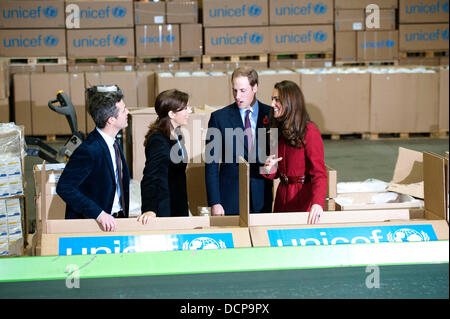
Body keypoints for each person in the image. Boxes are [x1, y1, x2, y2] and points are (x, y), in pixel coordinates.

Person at [56, 85, 131, 232]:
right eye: (123, 110)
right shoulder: (90, 150)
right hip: (96, 225)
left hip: (116, 219)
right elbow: (65, 187)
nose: (127, 112)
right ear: (111, 120)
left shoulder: (113, 142)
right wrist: (99, 213)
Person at [205, 67, 273, 216]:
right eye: (234, 90)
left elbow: (276, 156)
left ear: (255, 87)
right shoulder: (219, 118)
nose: (237, 96)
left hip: (262, 196)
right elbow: (211, 164)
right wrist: (215, 202)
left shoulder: (271, 115)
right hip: (230, 198)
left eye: (243, 90)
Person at [263, 80, 327, 224]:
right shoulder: (275, 130)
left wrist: (317, 203)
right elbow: (275, 173)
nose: (272, 104)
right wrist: (268, 168)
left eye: (277, 100)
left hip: (302, 200)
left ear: (290, 102)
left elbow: (319, 173)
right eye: (272, 99)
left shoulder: (310, 132)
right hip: (281, 198)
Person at [139, 89, 192, 221]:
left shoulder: (177, 134)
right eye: (185, 109)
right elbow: (150, 177)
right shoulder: (158, 141)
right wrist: (149, 209)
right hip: (165, 209)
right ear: (171, 114)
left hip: (178, 204)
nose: (189, 111)